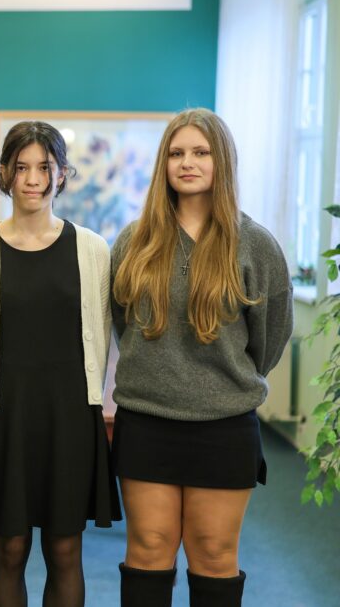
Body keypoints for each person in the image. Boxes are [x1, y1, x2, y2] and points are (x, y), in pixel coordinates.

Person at [110, 108, 293, 607]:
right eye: (176, 153)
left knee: (214, 552)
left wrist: (224, 378)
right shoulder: (134, 241)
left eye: (200, 152)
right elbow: (123, 323)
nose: (187, 163)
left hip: (224, 424)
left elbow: (270, 338)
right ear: (163, 163)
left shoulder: (255, 244)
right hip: (147, 419)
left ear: (222, 161)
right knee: (149, 548)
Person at [0, 121, 121, 607]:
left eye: (44, 167)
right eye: (21, 167)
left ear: (61, 174)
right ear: (5, 173)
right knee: (10, 548)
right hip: (4, 417)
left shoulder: (92, 249)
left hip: (69, 418)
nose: (32, 179)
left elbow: (102, 330)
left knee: (65, 550)